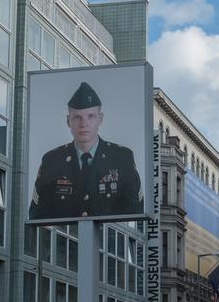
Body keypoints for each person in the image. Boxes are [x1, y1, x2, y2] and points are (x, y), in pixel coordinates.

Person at [29, 81, 143, 220]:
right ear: (68, 121)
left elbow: (136, 214)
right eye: (77, 117)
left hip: (107, 241)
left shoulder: (121, 158)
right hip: (66, 241)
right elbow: (37, 217)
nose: (84, 124)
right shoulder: (52, 161)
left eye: (90, 116)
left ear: (100, 119)